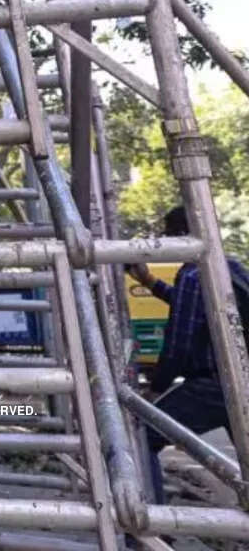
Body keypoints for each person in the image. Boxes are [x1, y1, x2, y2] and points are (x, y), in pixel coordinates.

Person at [126, 206, 249, 503]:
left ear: (183, 236)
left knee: (143, 435)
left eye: (169, 236)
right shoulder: (229, 267)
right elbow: (200, 309)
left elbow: (178, 344)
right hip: (242, 378)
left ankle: (153, 519)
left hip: (212, 386)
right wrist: (149, 281)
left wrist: (156, 390)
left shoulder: (193, 276)